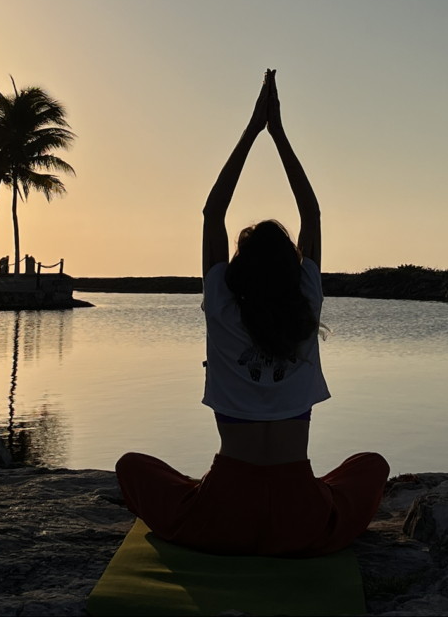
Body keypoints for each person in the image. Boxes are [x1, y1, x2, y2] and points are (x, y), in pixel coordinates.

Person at [116, 70, 389, 557]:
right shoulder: (307, 304)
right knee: (371, 466)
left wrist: (252, 129)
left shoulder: (220, 306)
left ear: (239, 271)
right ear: (293, 269)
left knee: (132, 466)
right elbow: (313, 215)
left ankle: (205, 492)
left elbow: (212, 215)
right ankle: (310, 497)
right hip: (300, 515)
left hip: (223, 512)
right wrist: (279, 134)